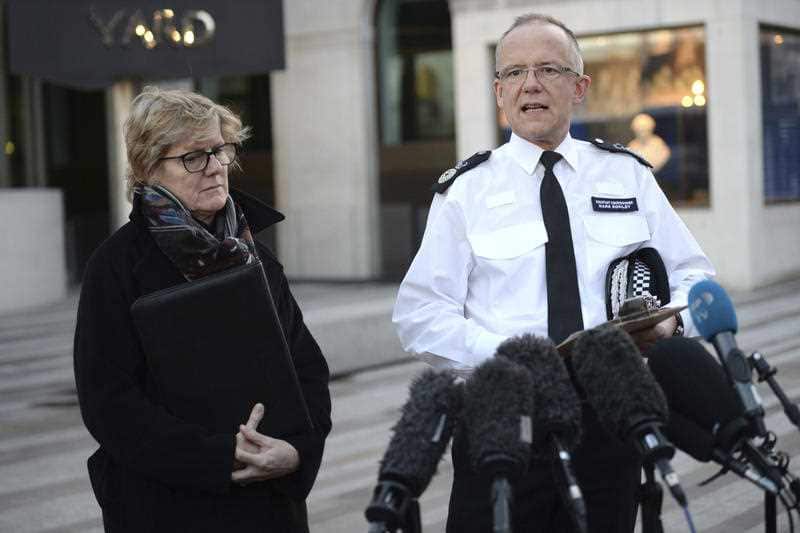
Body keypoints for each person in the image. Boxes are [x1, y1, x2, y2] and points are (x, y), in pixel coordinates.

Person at [392, 13, 714, 533]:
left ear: (580, 87)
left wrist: (669, 326)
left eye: (548, 69)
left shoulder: (626, 174)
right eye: (514, 73)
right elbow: (420, 314)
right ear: (499, 94)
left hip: (608, 416)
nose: (531, 84)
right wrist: (508, 358)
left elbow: (695, 276)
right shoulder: (465, 192)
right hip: (504, 422)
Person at [73, 87, 331, 532]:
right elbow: (109, 402)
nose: (215, 167)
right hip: (166, 507)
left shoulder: (255, 255)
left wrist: (296, 450)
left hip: (268, 505)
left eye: (220, 150)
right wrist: (219, 455)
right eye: (194, 157)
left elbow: (307, 367)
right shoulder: (116, 267)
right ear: (148, 167)